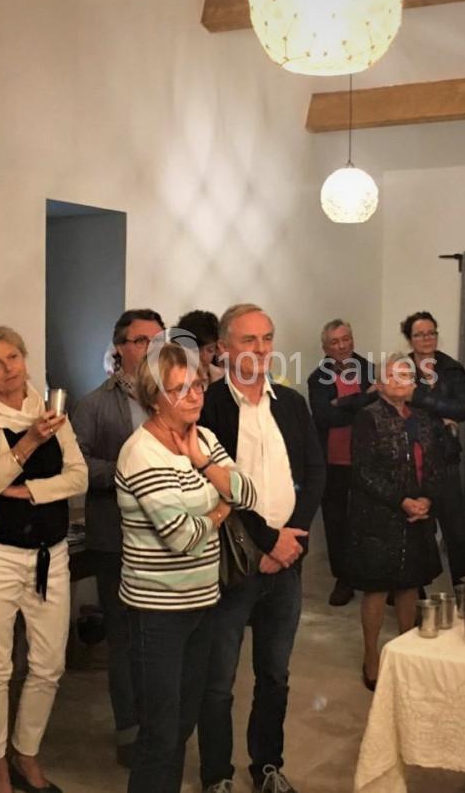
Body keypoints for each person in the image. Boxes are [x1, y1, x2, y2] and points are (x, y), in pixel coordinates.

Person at [0, 325, 88, 793]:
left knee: (49, 664)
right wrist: (25, 445)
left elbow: (79, 478)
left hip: (52, 556)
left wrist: (21, 489)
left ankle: (26, 753)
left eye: (13, 358)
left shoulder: (52, 413)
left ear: (25, 358)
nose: (8, 370)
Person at [115, 343, 258, 793]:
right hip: (157, 609)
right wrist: (220, 509)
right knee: (159, 733)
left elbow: (249, 494)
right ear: (154, 397)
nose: (195, 395)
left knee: (181, 724)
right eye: (180, 390)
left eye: (196, 384)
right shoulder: (141, 453)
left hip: (203, 600)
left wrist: (201, 463)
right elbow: (182, 537)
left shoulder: (206, 439)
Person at [197, 305, 324, 793]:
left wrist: (293, 535)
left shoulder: (291, 404)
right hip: (233, 561)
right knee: (219, 681)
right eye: (249, 340)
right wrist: (267, 542)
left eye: (267, 338)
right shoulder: (207, 406)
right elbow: (216, 489)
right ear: (224, 349)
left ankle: (267, 765)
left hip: (287, 561)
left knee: (275, 675)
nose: (261, 349)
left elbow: (314, 474)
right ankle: (217, 776)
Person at [70, 308, 164, 766]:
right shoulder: (92, 405)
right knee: (125, 639)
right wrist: (130, 473)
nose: (151, 348)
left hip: (170, 538)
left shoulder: (178, 396)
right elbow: (76, 465)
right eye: (142, 340)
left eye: (158, 339)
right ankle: (129, 731)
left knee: (163, 637)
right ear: (121, 347)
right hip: (118, 537)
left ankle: (162, 725)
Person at [348, 354, 456, 691]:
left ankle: (405, 652)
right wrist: (401, 501)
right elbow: (363, 471)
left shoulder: (423, 419)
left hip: (418, 514)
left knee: (410, 584)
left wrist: (426, 499)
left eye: (406, 374)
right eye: (392, 375)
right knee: (378, 587)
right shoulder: (368, 418)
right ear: (379, 384)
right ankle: (371, 657)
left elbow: (436, 466)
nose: (400, 379)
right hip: (379, 516)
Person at [307, 319, 377, 607]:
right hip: (333, 461)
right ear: (325, 347)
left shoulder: (371, 370)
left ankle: (373, 578)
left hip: (369, 459)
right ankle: (344, 579)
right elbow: (325, 417)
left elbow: (378, 410)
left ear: (353, 340)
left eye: (346, 339)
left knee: (370, 521)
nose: (342, 345)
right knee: (337, 523)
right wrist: (362, 401)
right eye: (335, 342)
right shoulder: (317, 377)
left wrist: (343, 403)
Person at [402, 311, 465, 582]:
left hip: (445, 456)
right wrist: (441, 414)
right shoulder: (401, 367)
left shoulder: (451, 368)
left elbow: (463, 408)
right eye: (419, 334)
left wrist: (418, 397)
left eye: (431, 332)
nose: (427, 339)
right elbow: (395, 406)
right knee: (416, 531)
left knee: (456, 531)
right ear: (410, 339)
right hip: (410, 457)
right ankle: (413, 596)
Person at [174, 310, 224, 385]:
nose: (204, 357)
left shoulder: (224, 379)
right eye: (197, 350)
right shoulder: (169, 379)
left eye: (210, 350)